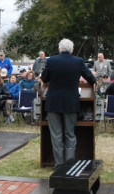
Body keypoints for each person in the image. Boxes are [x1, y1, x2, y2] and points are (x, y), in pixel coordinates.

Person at [40, 38, 96, 168]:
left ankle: (59, 164)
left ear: (59, 49)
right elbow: (91, 78)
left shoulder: (51, 60)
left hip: (53, 102)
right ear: (72, 50)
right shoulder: (78, 61)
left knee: (56, 135)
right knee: (70, 134)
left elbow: (44, 78)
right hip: (71, 102)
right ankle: (69, 164)